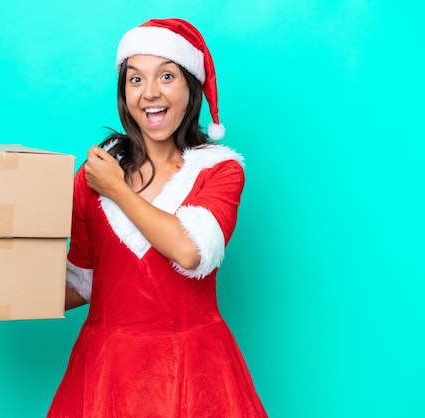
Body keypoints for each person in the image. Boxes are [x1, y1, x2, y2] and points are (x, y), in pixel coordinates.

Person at [48, 18, 267, 417]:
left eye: (166, 76)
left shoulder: (220, 170)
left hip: (194, 369)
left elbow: (190, 251)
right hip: (106, 371)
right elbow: (82, 283)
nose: (150, 93)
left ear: (190, 86)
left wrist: (117, 189)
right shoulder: (94, 174)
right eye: (135, 80)